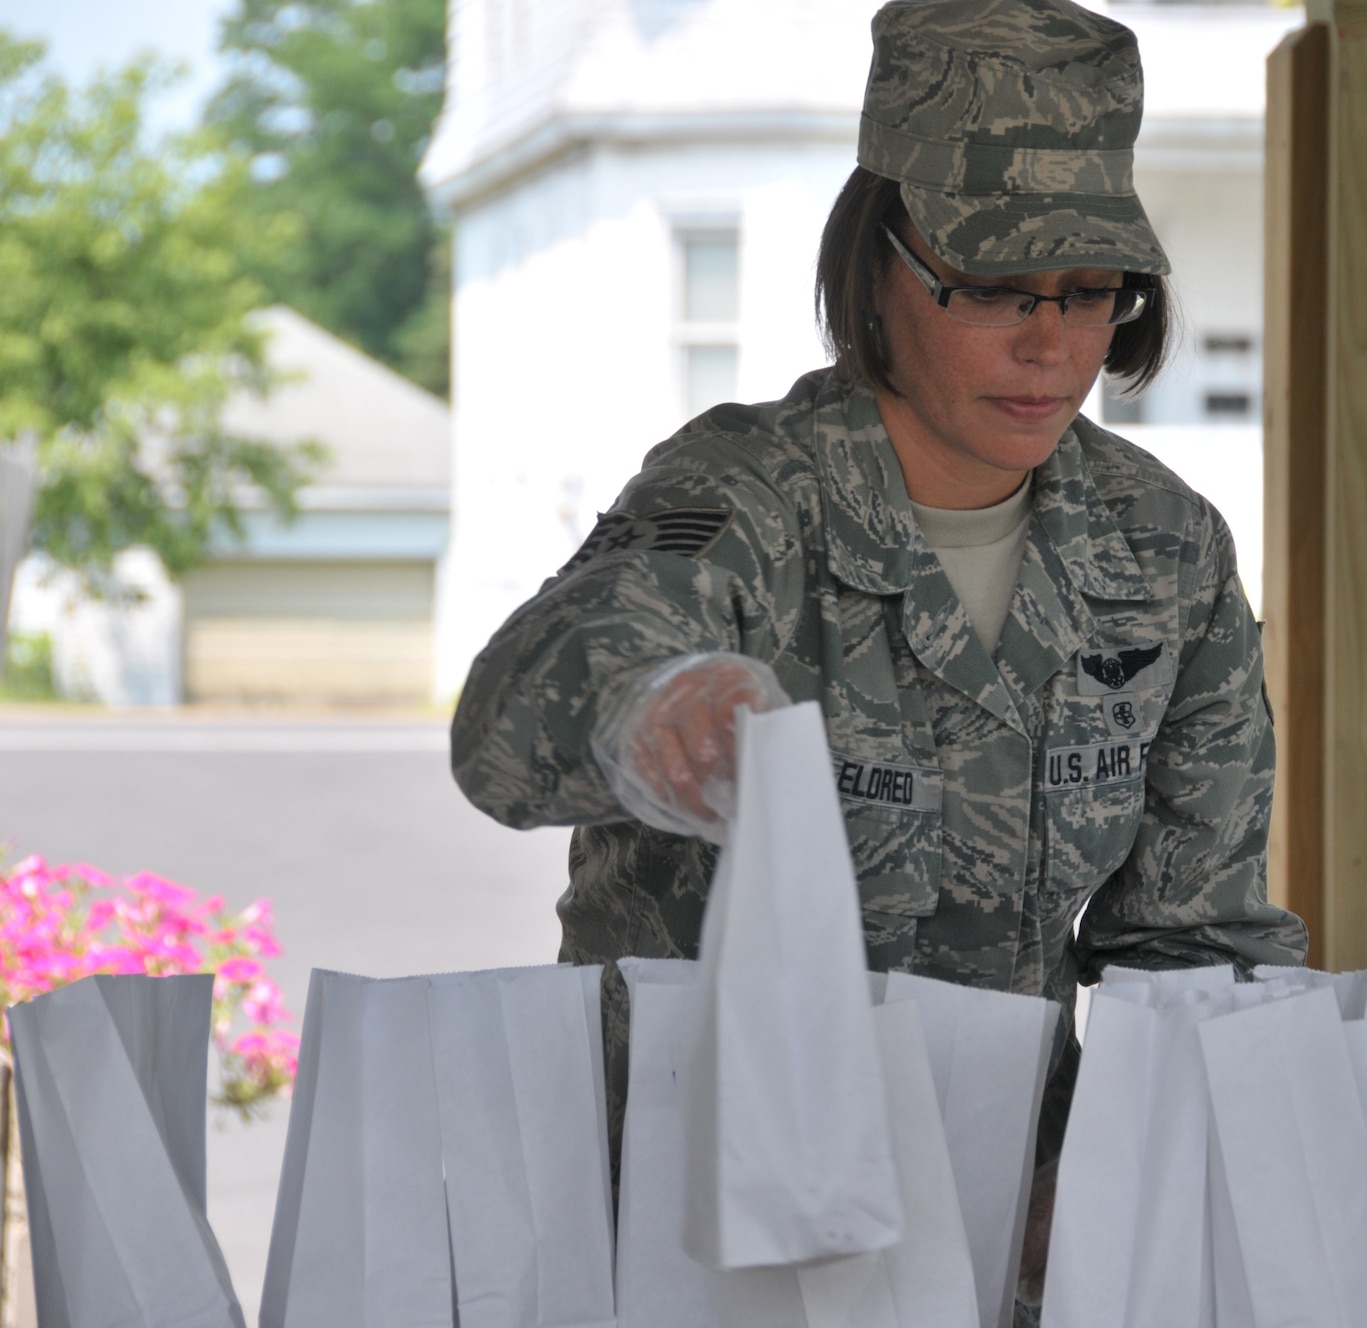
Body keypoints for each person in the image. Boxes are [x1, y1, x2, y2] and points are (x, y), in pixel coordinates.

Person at [450, 0, 1307, 1312]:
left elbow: (1198, 940)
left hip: (997, 1218)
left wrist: (1121, 1168)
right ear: (881, 265)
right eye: (995, 291)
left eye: (1088, 294)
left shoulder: (1161, 548)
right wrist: (659, 708)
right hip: (694, 1220)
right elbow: (510, 724)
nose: (1050, 344)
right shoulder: (747, 492)